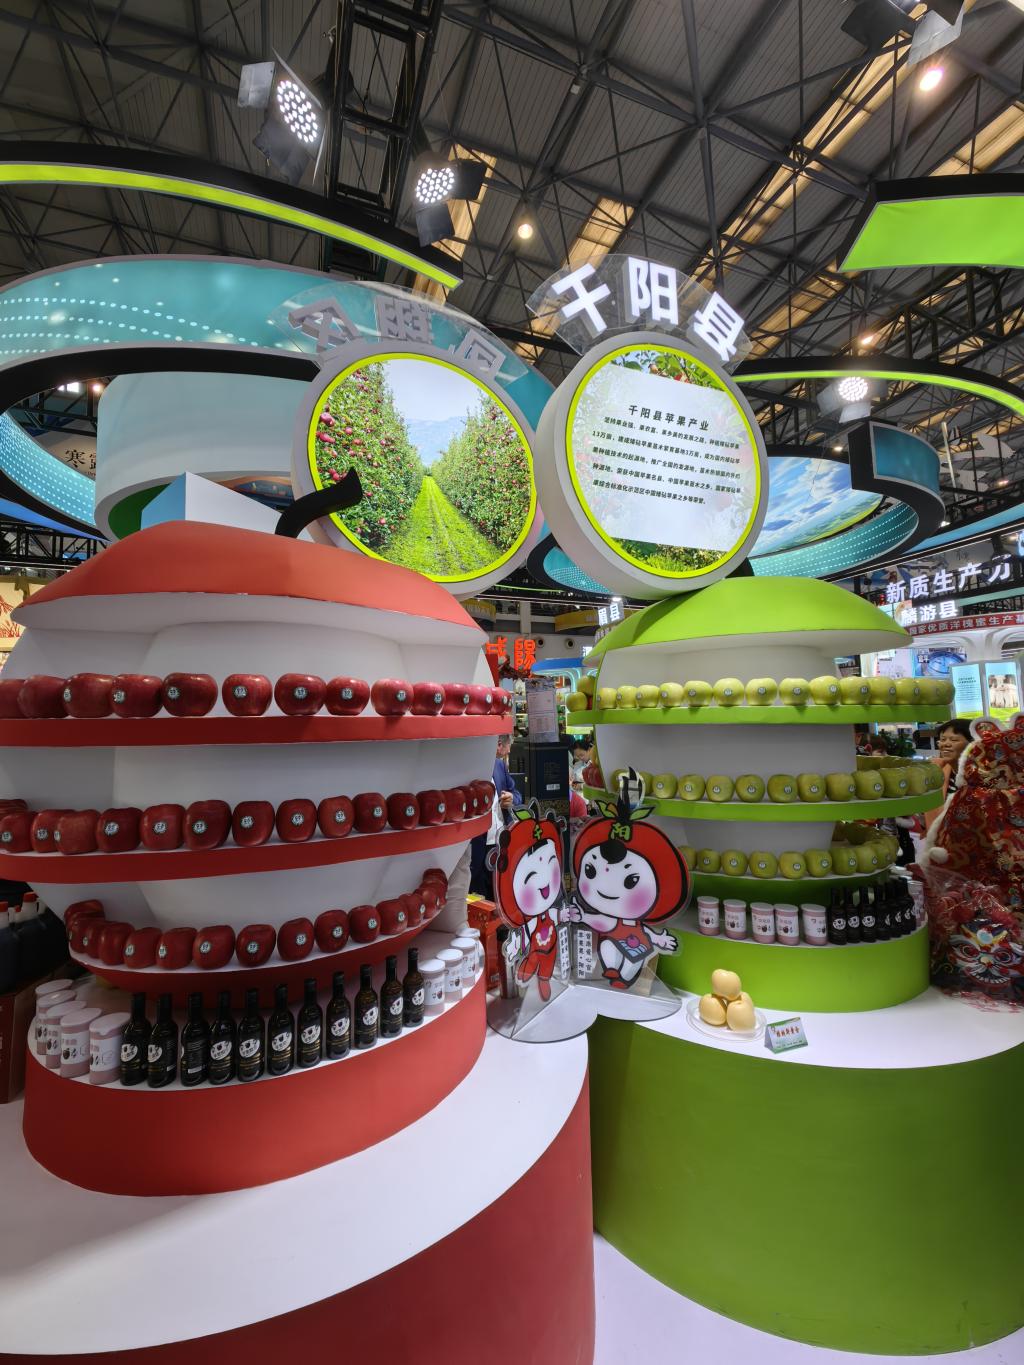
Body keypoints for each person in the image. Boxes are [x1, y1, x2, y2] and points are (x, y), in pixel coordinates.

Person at [469, 735, 523, 897]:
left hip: (500, 844)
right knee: (478, 895)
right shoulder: (469, 770)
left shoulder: (499, 765)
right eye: (508, 746)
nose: (509, 751)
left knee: (500, 893)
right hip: (477, 846)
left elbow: (517, 794)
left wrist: (512, 799)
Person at [923, 718, 973, 831]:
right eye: (942, 739)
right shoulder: (936, 771)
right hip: (941, 836)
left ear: (972, 744)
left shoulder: (982, 776)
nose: (946, 744)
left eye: (954, 740)